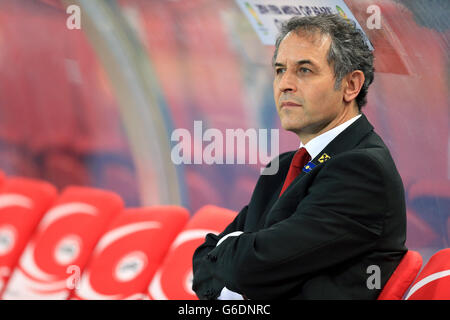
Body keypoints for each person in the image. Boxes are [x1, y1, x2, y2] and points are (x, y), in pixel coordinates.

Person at [192, 14, 407, 300]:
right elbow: (203, 265)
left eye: (304, 70)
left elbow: (251, 268)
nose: (285, 85)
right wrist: (241, 256)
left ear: (351, 85)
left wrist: (236, 253)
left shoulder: (362, 169)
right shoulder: (282, 167)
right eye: (280, 70)